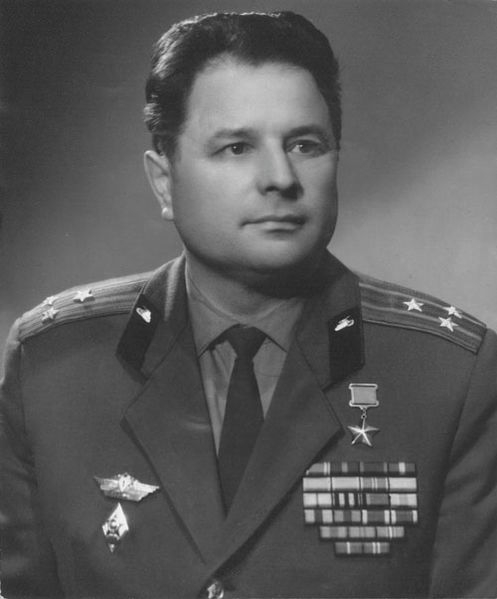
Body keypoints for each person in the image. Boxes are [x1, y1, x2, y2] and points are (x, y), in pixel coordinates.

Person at [0, 10, 496, 599]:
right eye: (237, 147)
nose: (280, 177)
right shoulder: (52, 368)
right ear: (164, 181)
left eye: (305, 145)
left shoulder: (450, 377)